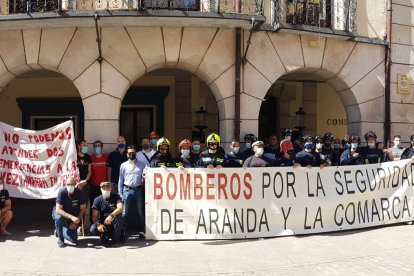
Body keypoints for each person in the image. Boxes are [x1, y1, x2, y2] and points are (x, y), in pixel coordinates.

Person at [118, 145, 146, 238]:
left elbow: (145, 176)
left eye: (133, 153)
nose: (131, 154)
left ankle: (142, 231)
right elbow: (120, 180)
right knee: (125, 212)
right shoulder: (123, 165)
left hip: (138, 190)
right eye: (129, 153)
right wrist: (120, 193)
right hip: (127, 190)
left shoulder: (142, 165)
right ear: (127, 154)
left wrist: (144, 177)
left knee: (140, 212)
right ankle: (123, 231)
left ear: (136, 153)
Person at [52, 177, 86, 248]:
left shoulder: (80, 193)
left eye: (72, 184)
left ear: (75, 184)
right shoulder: (62, 192)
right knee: (59, 218)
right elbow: (58, 210)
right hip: (61, 213)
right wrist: (72, 217)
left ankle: (58, 231)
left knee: (73, 240)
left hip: (72, 216)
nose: (70, 186)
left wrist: (76, 221)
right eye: (68, 184)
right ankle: (60, 239)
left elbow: (83, 209)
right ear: (65, 184)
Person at [89, 140, 108, 224]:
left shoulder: (106, 157)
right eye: (95, 146)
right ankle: (93, 225)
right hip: (93, 186)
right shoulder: (91, 158)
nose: (97, 147)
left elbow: (109, 170)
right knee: (93, 206)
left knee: (104, 206)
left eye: (99, 146)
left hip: (104, 187)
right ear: (93, 147)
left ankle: (104, 224)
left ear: (102, 147)